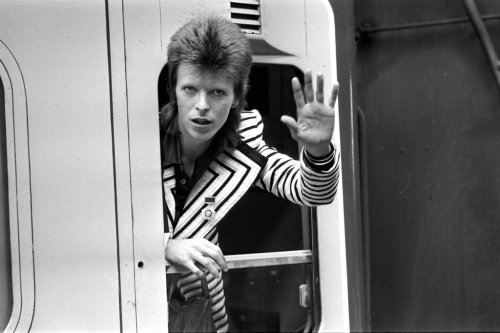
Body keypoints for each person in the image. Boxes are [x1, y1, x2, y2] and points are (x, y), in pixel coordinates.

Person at [160, 14, 340, 332]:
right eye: (190, 89)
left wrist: (318, 151)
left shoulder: (244, 146)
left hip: (203, 319)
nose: (202, 105)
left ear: (237, 97)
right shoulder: (138, 143)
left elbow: (314, 192)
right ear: (173, 89)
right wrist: (165, 246)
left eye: (217, 93)